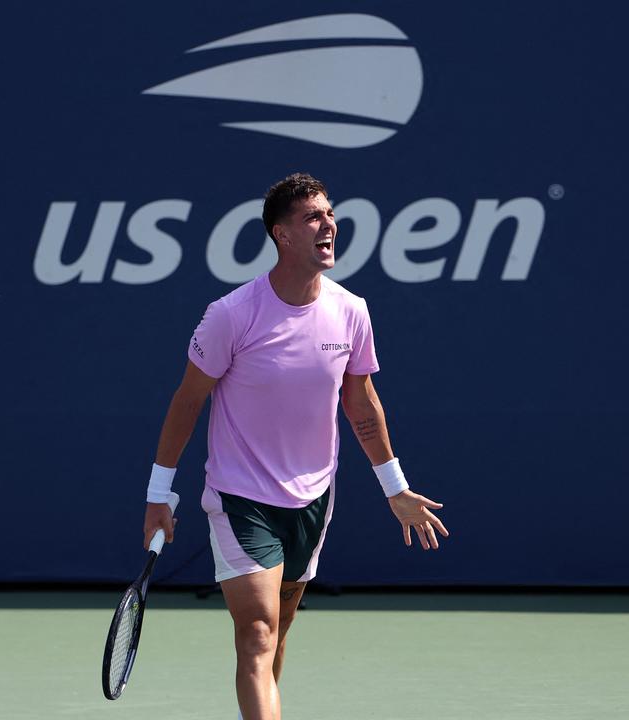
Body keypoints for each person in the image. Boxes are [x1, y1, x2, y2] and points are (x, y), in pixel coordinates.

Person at [141, 173, 449, 720]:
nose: (328, 223)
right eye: (313, 216)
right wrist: (158, 492)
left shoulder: (351, 311)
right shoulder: (232, 314)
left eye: (329, 214)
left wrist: (395, 488)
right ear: (281, 234)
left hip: (312, 499)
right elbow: (187, 401)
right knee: (257, 635)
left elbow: (362, 406)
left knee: (277, 636)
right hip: (241, 498)